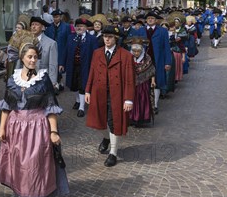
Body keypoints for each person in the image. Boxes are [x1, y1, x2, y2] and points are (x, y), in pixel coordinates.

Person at [0, 43, 68, 197]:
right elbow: (6, 106)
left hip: (37, 126)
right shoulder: (13, 79)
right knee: (20, 161)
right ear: (22, 58)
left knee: (38, 161)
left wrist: (53, 131)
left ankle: (43, 195)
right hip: (15, 126)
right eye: (29, 56)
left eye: (35, 57)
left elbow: (51, 107)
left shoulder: (43, 79)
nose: (33, 60)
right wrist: (1, 128)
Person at [85, 26, 135, 167]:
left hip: (117, 95)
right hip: (99, 93)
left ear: (116, 39)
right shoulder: (97, 53)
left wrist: (128, 99)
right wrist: (88, 90)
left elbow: (130, 79)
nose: (107, 39)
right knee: (98, 121)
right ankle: (106, 138)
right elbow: (92, 72)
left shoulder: (125, 55)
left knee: (114, 122)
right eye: (105, 36)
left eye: (110, 37)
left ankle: (113, 152)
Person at [60, 18, 98, 117]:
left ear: (86, 28)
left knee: (82, 86)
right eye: (77, 26)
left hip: (85, 66)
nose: (79, 28)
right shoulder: (71, 37)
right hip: (72, 66)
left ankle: (81, 107)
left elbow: (96, 54)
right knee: (74, 85)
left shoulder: (92, 39)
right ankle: (77, 100)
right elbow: (65, 51)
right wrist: (61, 64)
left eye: (81, 26)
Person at [136, 11, 172, 114]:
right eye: (148, 18)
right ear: (146, 20)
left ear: (156, 20)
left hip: (158, 60)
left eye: (152, 18)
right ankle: (145, 104)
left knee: (156, 82)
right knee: (143, 82)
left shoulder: (162, 31)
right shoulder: (140, 31)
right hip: (143, 61)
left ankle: (155, 105)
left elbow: (166, 48)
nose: (150, 20)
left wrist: (167, 62)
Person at [126, 38, 156, 127]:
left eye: (138, 51)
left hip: (143, 84)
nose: (136, 53)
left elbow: (152, 71)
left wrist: (153, 81)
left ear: (141, 50)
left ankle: (142, 118)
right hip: (131, 84)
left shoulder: (147, 58)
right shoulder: (128, 58)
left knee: (142, 100)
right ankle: (131, 118)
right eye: (134, 51)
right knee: (131, 100)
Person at [44, 9, 72, 91]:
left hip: (62, 50)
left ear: (60, 17)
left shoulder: (66, 26)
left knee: (60, 67)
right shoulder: (49, 27)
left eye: (57, 17)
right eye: (54, 17)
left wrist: (68, 51)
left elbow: (69, 39)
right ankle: (56, 84)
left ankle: (59, 83)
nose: (56, 19)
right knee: (52, 66)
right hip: (51, 50)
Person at [29, 16, 58, 86]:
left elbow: (53, 65)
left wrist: (52, 82)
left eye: (36, 24)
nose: (34, 26)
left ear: (42, 27)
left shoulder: (51, 43)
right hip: (27, 79)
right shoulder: (26, 42)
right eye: (32, 24)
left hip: (43, 79)